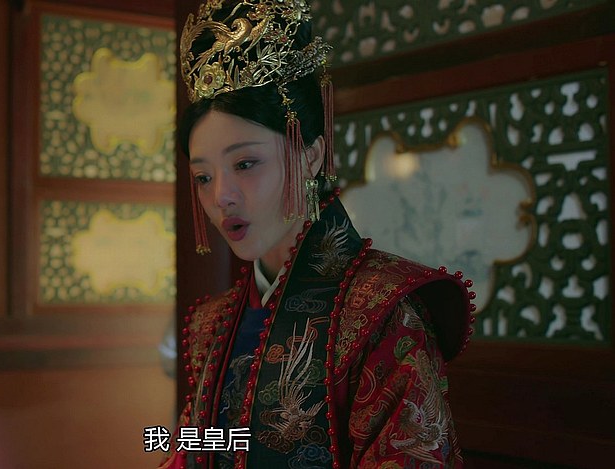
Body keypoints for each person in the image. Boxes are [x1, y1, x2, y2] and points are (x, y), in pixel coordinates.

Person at [161, 1, 475, 467]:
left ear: (311, 155)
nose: (221, 196)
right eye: (204, 177)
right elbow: (199, 446)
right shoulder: (213, 325)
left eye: (245, 164)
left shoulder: (380, 313)